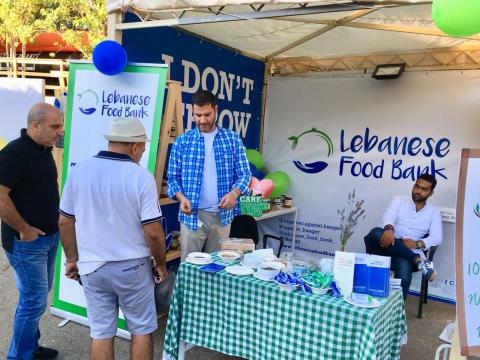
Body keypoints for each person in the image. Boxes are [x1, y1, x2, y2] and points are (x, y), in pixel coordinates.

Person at [58, 117, 168, 360]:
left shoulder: (79, 171)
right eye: (143, 148)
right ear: (135, 147)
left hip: (92, 267)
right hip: (133, 268)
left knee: (101, 333)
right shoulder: (140, 177)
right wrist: (160, 263)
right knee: (141, 329)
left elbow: (65, 221)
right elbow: (152, 231)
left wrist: (72, 259)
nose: (142, 153)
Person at [0, 103, 64, 360]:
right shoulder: (14, 153)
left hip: (48, 238)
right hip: (26, 242)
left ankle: (29, 347)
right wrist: (24, 229)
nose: (60, 131)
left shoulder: (43, 149)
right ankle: (19, 356)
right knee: (34, 301)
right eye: (55, 126)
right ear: (35, 125)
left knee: (35, 297)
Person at [167, 90, 251, 260]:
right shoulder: (182, 142)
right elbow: (172, 179)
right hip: (192, 217)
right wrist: (181, 198)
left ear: (216, 110)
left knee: (217, 267)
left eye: (207, 114)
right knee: (190, 268)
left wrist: (234, 194)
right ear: (192, 112)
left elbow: (245, 175)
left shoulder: (232, 139)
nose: (202, 120)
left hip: (223, 217)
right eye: (198, 115)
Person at [364, 173, 442, 299]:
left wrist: (417, 244)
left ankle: (398, 312)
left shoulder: (433, 212)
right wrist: (389, 229)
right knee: (376, 232)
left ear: (431, 193)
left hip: (405, 253)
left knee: (404, 272)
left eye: (424, 189)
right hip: (385, 246)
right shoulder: (399, 200)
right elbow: (389, 215)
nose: (418, 191)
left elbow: (437, 237)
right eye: (417, 186)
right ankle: (417, 259)